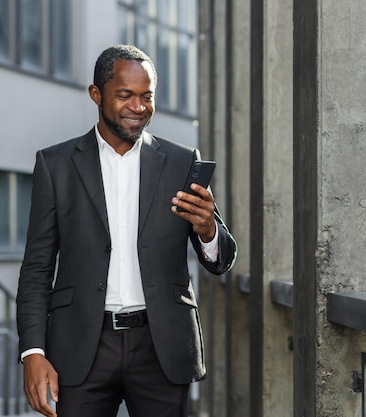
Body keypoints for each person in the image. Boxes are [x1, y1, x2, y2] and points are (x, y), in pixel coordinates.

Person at [16, 44, 237, 417]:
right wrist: (32, 353)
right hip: (82, 345)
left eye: (147, 96)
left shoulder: (183, 162)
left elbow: (221, 262)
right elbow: (36, 269)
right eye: (126, 95)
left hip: (161, 346)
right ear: (96, 95)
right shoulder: (56, 166)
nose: (139, 107)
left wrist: (207, 231)